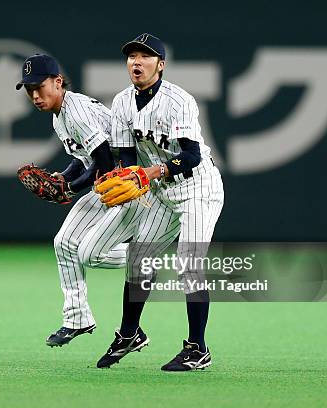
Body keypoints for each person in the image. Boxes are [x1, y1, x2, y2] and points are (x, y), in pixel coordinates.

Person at [95, 34, 224, 371]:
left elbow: (192, 156)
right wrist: (113, 177)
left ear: (161, 65)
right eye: (131, 56)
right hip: (161, 192)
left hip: (198, 187)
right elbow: (124, 157)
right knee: (139, 258)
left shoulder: (178, 100)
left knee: (188, 263)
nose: (136, 62)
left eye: (145, 56)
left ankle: (198, 349)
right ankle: (129, 334)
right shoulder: (122, 102)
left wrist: (152, 172)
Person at [15, 54, 147, 347]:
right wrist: (63, 179)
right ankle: (77, 319)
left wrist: (70, 189)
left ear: (58, 82)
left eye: (40, 86)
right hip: (108, 184)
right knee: (64, 243)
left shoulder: (76, 112)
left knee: (91, 253)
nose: (35, 95)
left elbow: (102, 161)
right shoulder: (58, 116)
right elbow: (82, 159)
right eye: (29, 90)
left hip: (128, 185)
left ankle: (149, 261)